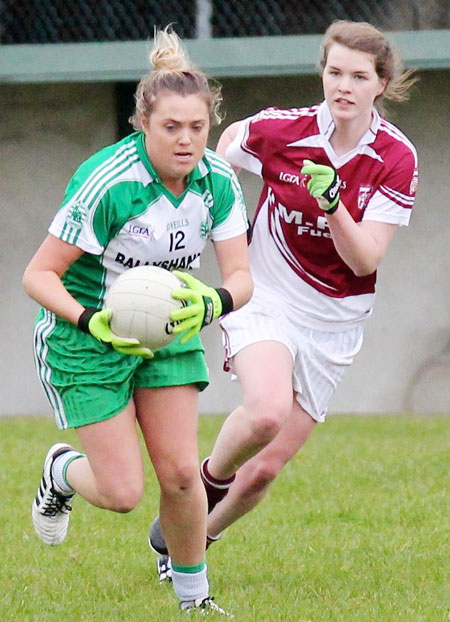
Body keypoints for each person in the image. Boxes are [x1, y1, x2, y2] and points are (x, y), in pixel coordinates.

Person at [149, 19, 418, 579]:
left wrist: (333, 204)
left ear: (381, 84)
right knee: (266, 410)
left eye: (358, 76)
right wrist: (212, 221)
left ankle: (195, 538)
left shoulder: (396, 157)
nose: (343, 85)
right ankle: (203, 483)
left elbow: (366, 259)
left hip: (335, 323)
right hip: (265, 296)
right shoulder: (281, 129)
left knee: (264, 472)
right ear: (322, 72)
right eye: (333, 71)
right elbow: (222, 152)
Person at [23, 26, 252, 616]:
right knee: (124, 492)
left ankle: (194, 599)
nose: (185, 140)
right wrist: (92, 318)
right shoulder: (109, 181)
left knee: (180, 474)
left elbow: (241, 279)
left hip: (168, 329)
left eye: (197, 128)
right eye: (171, 127)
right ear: (142, 124)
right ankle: (62, 471)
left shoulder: (219, 183)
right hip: (87, 336)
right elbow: (39, 275)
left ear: (210, 126)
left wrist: (212, 304)